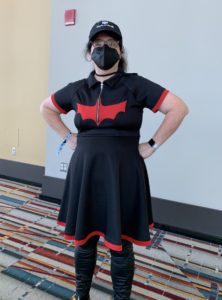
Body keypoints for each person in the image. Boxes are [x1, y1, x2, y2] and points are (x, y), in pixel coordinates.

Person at [40, 20, 189, 300]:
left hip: (122, 172)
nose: (104, 49)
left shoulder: (135, 85)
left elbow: (178, 108)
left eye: (111, 44)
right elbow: (46, 108)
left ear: (120, 51)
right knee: (84, 241)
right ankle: (81, 294)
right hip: (85, 171)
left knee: (120, 243)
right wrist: (67, 137)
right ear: (89, 52)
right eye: (98, 45)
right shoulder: (77, 89)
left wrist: (152, 145)